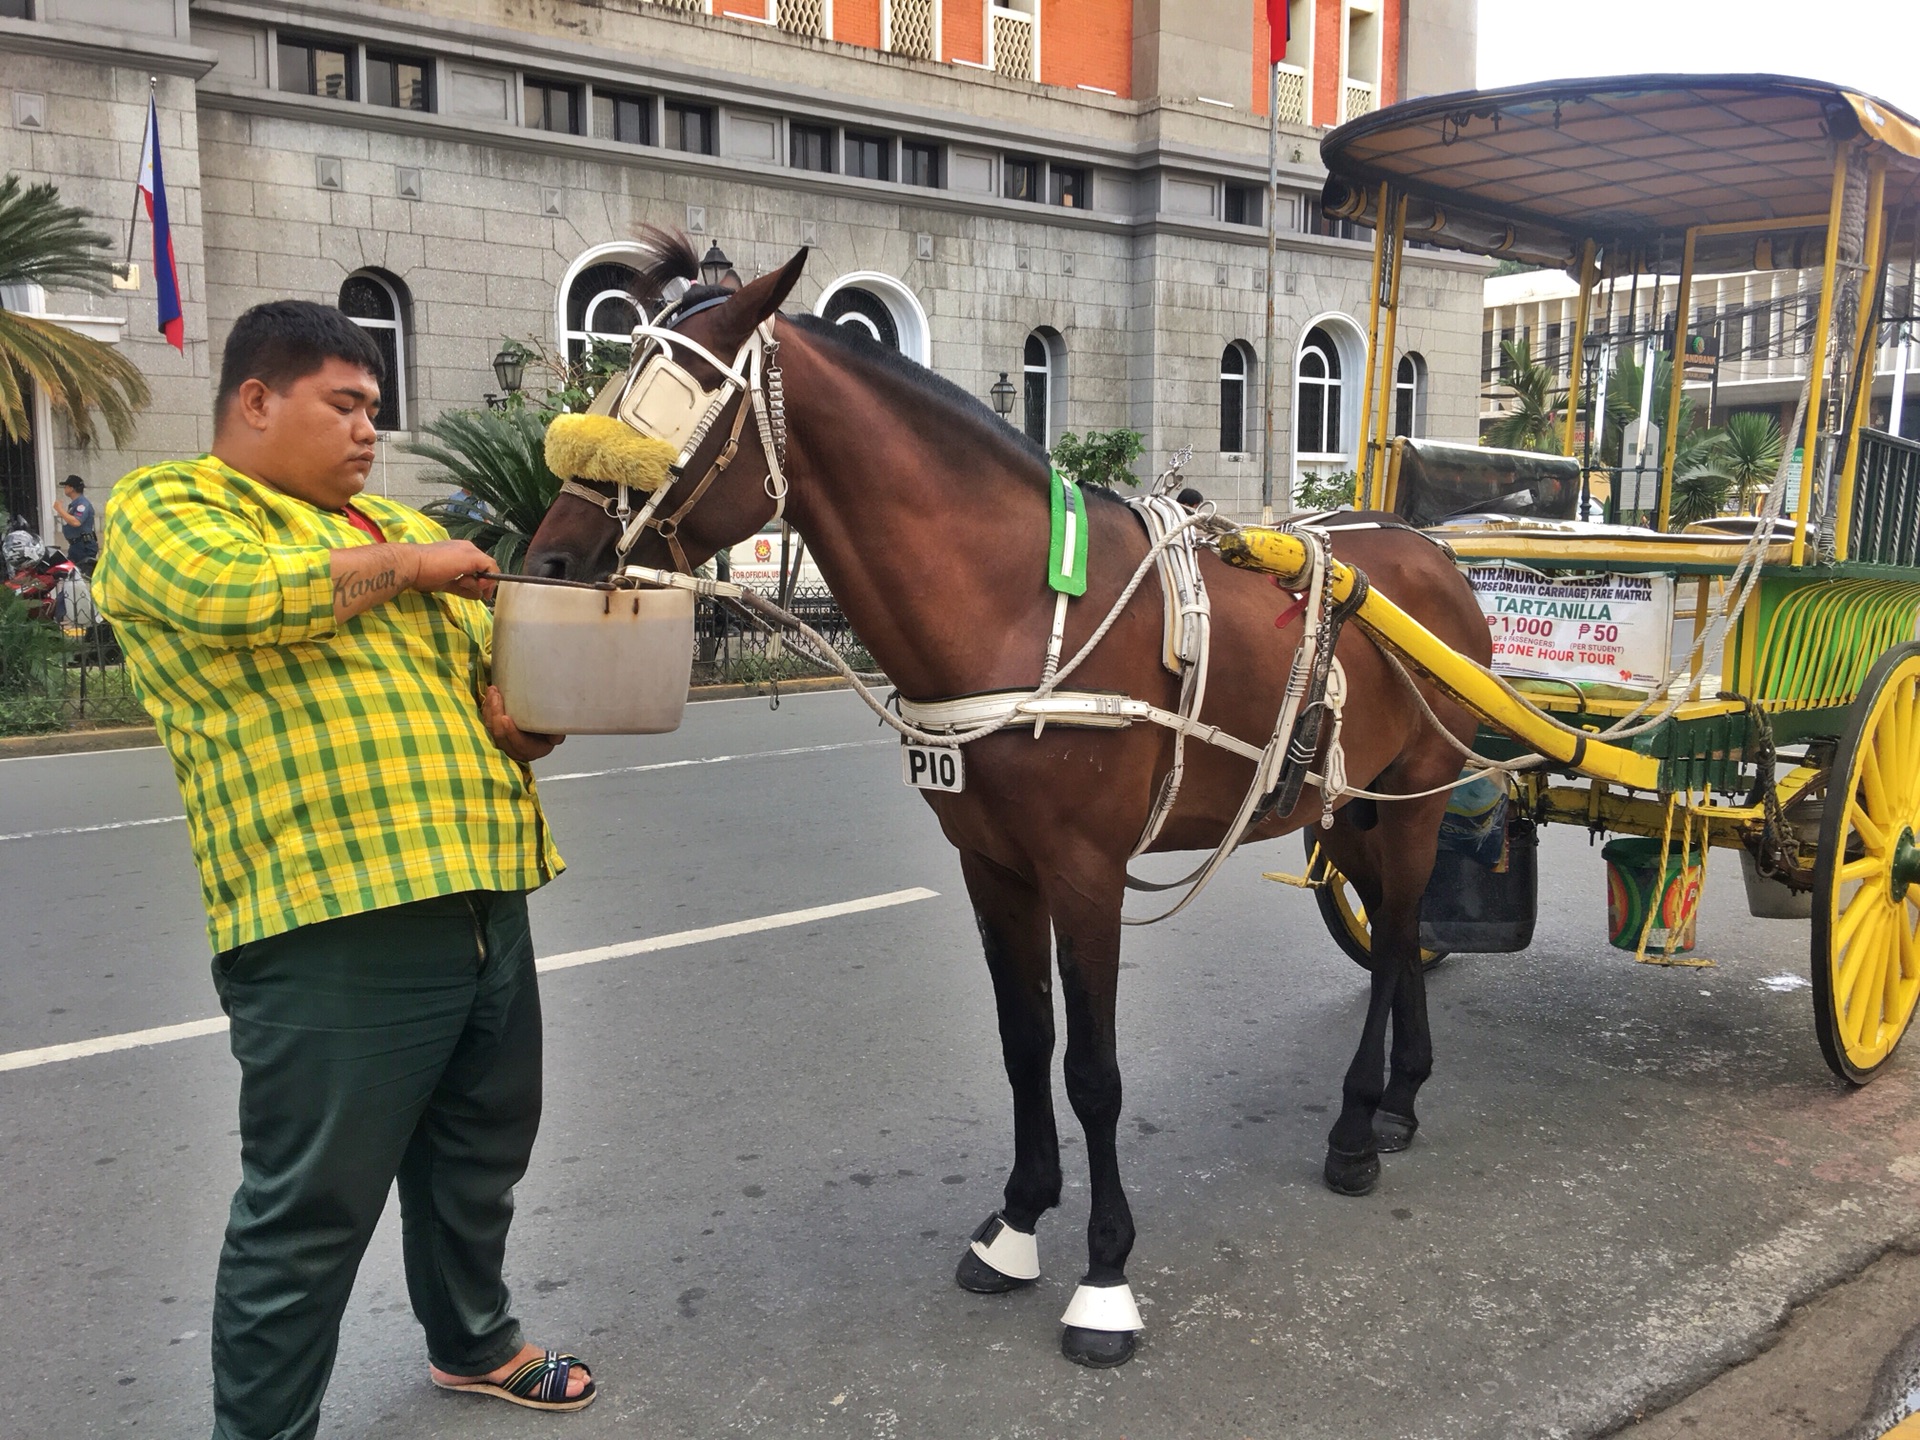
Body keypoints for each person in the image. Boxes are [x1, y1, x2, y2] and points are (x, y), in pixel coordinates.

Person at [92, 300, 593, 1440]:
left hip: (482, 892)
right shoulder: (174, 507)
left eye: (376, 407)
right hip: (331, 919)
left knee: (479, 1155)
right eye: (346, 403)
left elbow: (492, 672)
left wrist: (528, 722)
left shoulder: (380, 522)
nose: (371, 429)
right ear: (257, 401)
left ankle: (472, 1344)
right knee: (309, 1208)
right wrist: (416, 562)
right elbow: (239, 599)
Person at [53, 474, 97, 572]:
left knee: (79, 576)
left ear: (71, 488)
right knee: (70, 574)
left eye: (66, 486)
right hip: (76, 545)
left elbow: (76, 522)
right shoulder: (75, 504)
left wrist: (60, 509)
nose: (64, 488)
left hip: (84, 546)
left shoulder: (82, 504)